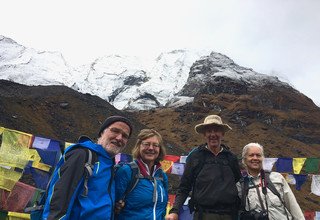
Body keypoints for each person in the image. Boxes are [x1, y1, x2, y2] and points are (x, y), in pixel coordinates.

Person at [42, 115, 133, 220]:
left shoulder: (110, 165)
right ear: (102, 132)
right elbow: (59, 197)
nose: (119, 138)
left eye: (125, 136)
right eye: (115, 131)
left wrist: (113, 205)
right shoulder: (82, 155)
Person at [166, 115, 241, 220]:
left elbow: (238, 182)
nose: (213, 134)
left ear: (222, 133)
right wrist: (175, 211)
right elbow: (184, 187)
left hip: (230, 215)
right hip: (203, 215)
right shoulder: (195, 157)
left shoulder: (231, 158)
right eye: (209, 131)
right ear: (204, 134)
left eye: (216, 130)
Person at [238, 143, 305, 220]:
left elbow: (293, 206)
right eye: (251, 155)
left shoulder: (277, 178)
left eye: (258, 155)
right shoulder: (241, 185)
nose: (255, 158)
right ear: (244, 159)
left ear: (263, 158)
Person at [114, 129, 168, 220]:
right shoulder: (126, 171)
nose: (151, 148)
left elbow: (162, 209)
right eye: (146, 144)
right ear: (138, 146)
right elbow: (112, 204)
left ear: (160, 149)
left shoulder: (162, 176)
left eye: (155, 145)